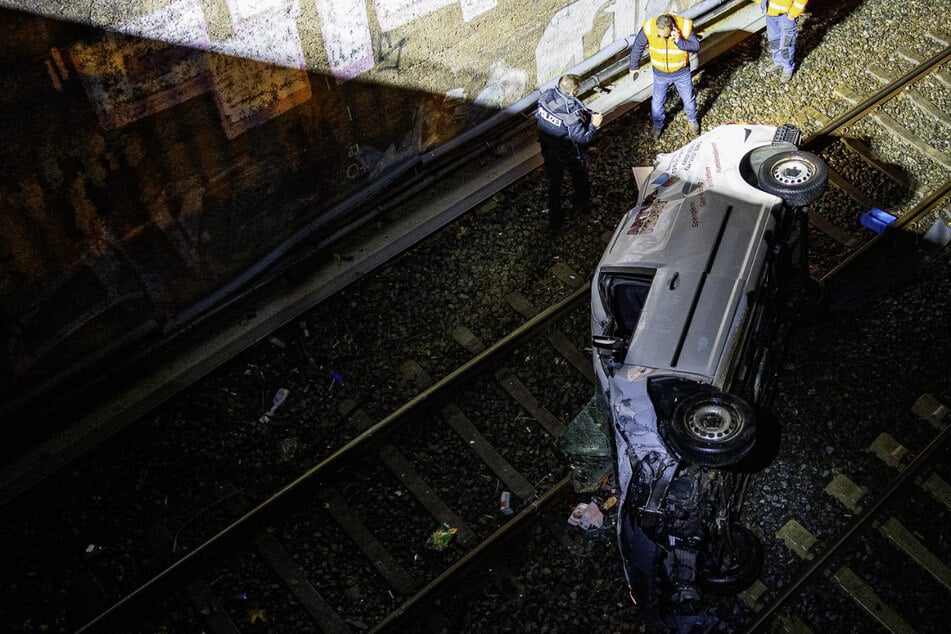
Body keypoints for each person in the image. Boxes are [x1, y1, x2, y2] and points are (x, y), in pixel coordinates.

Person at [536, 74, 603, 231]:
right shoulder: (571, 115)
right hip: (567, 152)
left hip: (548, 147)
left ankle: (555, 218)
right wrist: (595, 125)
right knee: (580, 177)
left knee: (554, 184)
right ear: (573, 91)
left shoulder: (545, 97)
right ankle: (582, 204)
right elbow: (581, 139)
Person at [629, 14, 701, 141]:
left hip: (681, 73)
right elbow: (637, 47)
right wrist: (634, 66)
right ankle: (658, 125)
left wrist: (679, 41)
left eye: (665, 35)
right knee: (657, 103)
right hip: (660, 74)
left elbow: (696, 46)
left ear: (671, 28)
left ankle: (692, 120)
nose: (662, 37)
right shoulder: (649, 28)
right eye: (659, 34)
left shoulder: (684, 27)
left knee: (688, 100)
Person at [758, 0, 808, 83]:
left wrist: (793, 14)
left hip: (786, 15)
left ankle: (787, 67)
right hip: (770, 12)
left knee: (786, 44)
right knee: (774, 39)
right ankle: (778, 60)